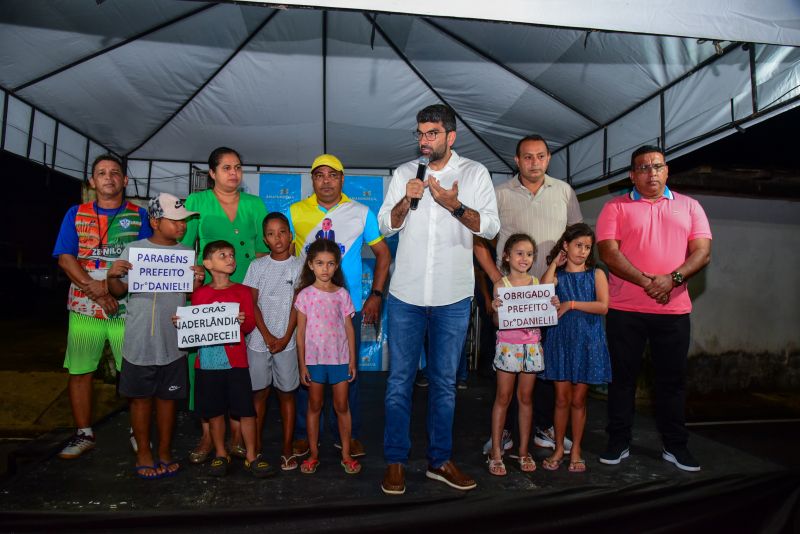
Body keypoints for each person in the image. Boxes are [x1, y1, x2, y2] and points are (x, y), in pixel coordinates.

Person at [378, 104, 500, 494]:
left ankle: (439, 460)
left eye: (432, 133)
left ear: (451, 136)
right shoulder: (403, 174)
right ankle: (395, 461)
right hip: (406, 295)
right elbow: (386, 224)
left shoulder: (474, 173)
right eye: (420, 133)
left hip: (452, 296)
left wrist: (455, 205)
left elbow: (492, 228)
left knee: (444, 383)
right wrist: (405, 200)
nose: (424, 140)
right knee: (399, 381)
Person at [596, 145, 712, 472]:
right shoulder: (615, 207)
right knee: (623, 380)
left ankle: (675, 447)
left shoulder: (691, 207)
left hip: (673, 312)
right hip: (625, 310)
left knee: (672, 382)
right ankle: (618, 441)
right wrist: (650, 282)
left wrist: (671, 279)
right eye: (643, 168)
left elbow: (702, 253)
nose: (651, 173)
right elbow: (608, 252)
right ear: (632, 175)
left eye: (657, 166)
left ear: (667, 170)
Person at [474, 134, 582, 454]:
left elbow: (577, 239)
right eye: (527, 157)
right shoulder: (499, 194)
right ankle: (503, 433)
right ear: (516, 160)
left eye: (540, 156)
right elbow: (478, 240)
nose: (534, 162)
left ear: (548, 159)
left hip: (550, 296)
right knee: (505, 366)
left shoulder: (564, 192)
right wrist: (496, 279)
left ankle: (544, 429)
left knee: (545, 366)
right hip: (509, 299)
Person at [287, 154, 390, 459]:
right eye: (320, 175)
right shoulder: (294, 212)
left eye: (333, 175)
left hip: (348, 308)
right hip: (309, 307)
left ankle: (349, 434)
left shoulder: (361, 212)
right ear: (312, 180)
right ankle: (306, 436)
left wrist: (376, 294)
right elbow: (285, 255)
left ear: (342, 179)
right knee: (307, 374)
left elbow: (383, 255)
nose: (326, 181)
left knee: (348, 373)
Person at [52, 154, 152, 459]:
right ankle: (84, 434)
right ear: (92, 182)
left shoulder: (140, 216)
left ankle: (139, 432)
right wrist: (97, 290)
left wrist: (110, 288)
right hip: (84, 307)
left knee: (134, 373)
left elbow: (146, 260)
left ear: (124, 181)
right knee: (81, 371)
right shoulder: (75, 213)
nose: (108, 177)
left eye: (115, 173)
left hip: (128, 310)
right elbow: (66, 258)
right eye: (101, 173)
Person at [106, 193, 204, 479]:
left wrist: (196, 280)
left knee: (167, 400)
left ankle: (163, 450)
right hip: (139, 342)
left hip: (172, 342)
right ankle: (143, 452)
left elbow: (189, 296)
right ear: (155, 221)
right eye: (175, 221)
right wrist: (113, 276)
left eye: (184, 221)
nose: (182, 226)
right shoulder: (134, 250)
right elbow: (118, 291)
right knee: (140, 400)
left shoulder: (187, 253)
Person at [181, 146, 268, 463]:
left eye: (238, 167)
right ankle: (207, 436)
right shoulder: (196, 202)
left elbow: (262, 251)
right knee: (204, 366)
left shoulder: (254, 204)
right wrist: (191, 280)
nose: (234, 172)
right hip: (207, 296)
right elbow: (184, 246)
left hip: (246, 294)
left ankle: (236, 436)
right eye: (227, 167)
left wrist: (260, 289)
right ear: (212, 174)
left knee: (242, 368)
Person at [188, 240, 273, 478]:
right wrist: (184, 323)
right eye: (222, 255)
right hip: (206, 362)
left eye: (232, 255)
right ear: (207, 263)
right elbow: (194, 327)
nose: (230, 259)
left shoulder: (243, 291)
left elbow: (249, 325)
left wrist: (241, 320)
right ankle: (220, 453)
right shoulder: (200, 294)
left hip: (236, 361)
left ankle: (252, 456)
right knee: (214, 412)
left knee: (245, 410)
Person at [540, 223, 611, 473]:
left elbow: (603, 306)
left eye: (587, 247)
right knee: (561, 399)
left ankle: (577, 448)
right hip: (560, 340)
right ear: (566, 245)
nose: (582, 251)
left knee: (579, 400)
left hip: (588, 341)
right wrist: (553, 265)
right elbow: (542, 291)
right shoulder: (557, 276)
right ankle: (559, 447)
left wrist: (570, 304)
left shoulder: (596, 274)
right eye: (578, 245)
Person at [487, 234, 557, 476]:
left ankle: (524, 451)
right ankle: (496, 452)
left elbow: (544, 316)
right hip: (508, 347)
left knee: (526, 400)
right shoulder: (500, 285)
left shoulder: (538, 284)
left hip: (532, 348)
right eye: (519, 253)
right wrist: (495, 310)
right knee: (503, 398)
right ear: (506, 255)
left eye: (529, 254)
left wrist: (551, 304)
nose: (524, 258)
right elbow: (497, 322)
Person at [294, 239, 360, 475]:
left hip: (340, 359)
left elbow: (349, 329)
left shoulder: (342, 294)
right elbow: (300, 333)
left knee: (342, 405)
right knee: (314, 405)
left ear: (337, 265)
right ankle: (313, 454)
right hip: (314, 360)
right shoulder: (305, 295)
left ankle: (345, 454)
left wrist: (352, 360)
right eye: (320, 263)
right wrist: (302, 364)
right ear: (310, 264)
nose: (325, 268)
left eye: (330, 264)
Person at [242, 212, 302, 470]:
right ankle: (255, 449)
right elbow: (251, 303)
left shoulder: (301, 265)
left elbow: (299, 305)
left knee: (287, 394)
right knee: (259, 394)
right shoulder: (257, 266)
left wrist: (286, 336)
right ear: (265, 239)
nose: (277, 238)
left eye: (282, 232)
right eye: (270, 233)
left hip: (287, 342)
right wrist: (267, 336)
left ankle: (287, 448)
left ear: (290, 235)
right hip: (258, 340)